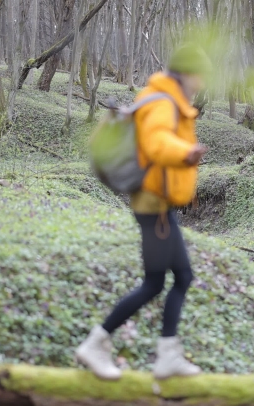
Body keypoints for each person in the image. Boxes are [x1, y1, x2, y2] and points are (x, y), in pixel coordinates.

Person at [75, 45, 212, 381]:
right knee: (154, 283)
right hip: (153, 205)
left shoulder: (166, 98)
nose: (201, 82)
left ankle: (167, 354)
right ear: (186, 74)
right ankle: (95, 344)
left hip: (159, 205)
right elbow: (156, 143)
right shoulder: (163, 102)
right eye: (199, 75)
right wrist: (186, 152)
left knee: (182, 277)